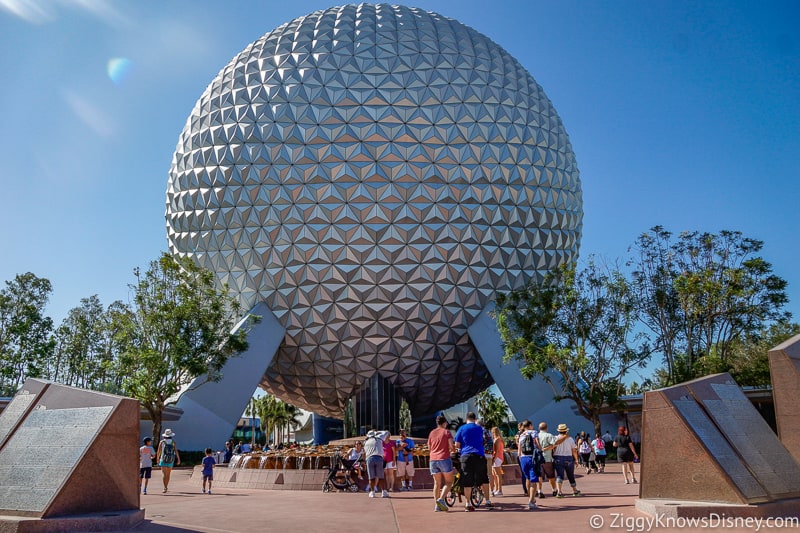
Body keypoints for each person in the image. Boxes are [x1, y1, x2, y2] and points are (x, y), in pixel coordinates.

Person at [454, 412, 493, 511]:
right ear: (475, 419)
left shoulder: (461, 428)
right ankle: (488, 501)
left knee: (467, 480)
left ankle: (468, 504)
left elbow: (457, 445)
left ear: (466, 419)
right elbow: (484, 440)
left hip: (466, 456)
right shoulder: (479, 428)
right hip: (479, 455)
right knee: (484, 478)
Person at [428, 415, 456, 512]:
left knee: (437, 483)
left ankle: (437, 506)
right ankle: (441, 499)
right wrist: (454, 450)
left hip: (433, 459)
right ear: (444, 423)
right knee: (449, 482)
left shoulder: (431, 433)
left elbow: (429, 448)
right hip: (444, 458)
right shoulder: (446, 432)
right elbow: (451, 446)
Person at [552, 424, 582, 498]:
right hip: (568, 458)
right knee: (570, 475)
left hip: (558, 457)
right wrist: (576, 459)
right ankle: (575, 490)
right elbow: (574, 450)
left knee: (559, 475)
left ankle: (559, 492)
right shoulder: (570, 439)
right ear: (566, 431)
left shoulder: (555, 438)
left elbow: (553, 448)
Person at [364, 429, 391, 498]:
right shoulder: (379, 438)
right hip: (379, 458)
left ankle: (372, 492)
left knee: (371, 477)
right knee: (381, 476)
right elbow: (387, 432)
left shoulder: (366, 442)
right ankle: (384, 492)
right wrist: (378, 432)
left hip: (369, 459)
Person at [536, 422, 559, 498]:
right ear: (547, 428)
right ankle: (554, 490)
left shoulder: (536, 436)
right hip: (547, 458)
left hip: (537, 458)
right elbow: (554, 444)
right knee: (551, 476)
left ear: (539, 428)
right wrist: (546, 449)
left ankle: (539, 491)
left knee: (539, 476)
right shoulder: (549, 435)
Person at [157, 428, 181, 494]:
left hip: (163, 459)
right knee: (168, 474)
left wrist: (157, 459)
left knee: (164, 474)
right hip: (171, 460)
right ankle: (166, 486)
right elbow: (176, 451)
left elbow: (159, 451)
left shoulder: (162, 442)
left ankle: (165, 487)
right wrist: (178, 459)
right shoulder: (173, 442)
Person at [490, 427, 504, 497]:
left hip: (497, 458)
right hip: (497, 457)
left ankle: (500, 490)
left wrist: (494, 459)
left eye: (492, 432)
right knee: (495, 474)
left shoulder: (498, 439)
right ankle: (497, 489)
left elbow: (497, 451)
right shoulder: (498, 439)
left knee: (498, 474)